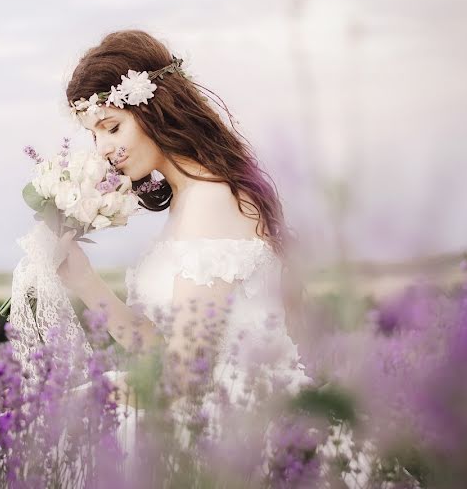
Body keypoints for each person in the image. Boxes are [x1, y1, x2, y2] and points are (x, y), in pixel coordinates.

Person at [57, 29, 312, 449]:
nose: (103, 149)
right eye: (94, 134)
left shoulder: (210, 201)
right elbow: (167, 349)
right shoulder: (191, 198)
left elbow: (185, 380)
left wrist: (87, 399)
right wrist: (84, 280)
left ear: (156, 109)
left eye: (112, 127)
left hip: (245, 434)